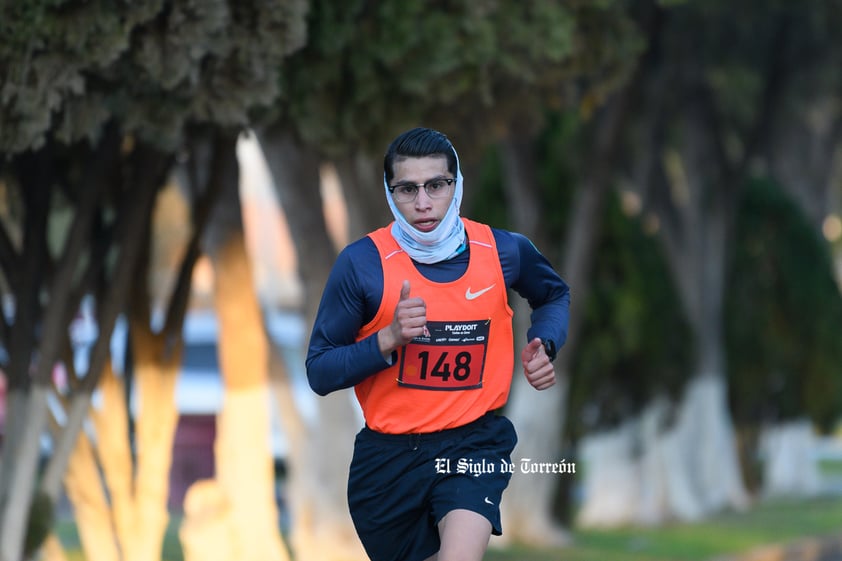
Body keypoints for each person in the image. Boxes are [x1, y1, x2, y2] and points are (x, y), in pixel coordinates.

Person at [306, 127, 569, 561]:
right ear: (391, 193)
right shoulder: (363, 265)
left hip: (472, 445)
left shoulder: (502, 250)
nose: (423, 203)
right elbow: (319, 370)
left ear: (457, 184)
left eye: (437, 185)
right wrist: (386, 339)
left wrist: (546, 341)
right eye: (407, 189)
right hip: (388, 463)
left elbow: (553, 293)